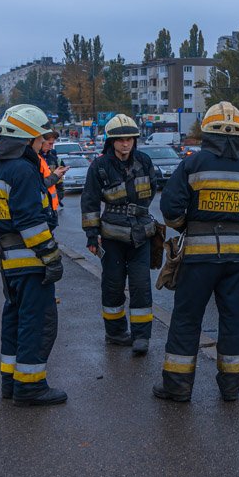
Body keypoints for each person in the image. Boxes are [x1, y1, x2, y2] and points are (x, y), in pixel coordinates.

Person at [153, 102, 239, 403]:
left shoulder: (192, 165)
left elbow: (170, 210)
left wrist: (186, 226)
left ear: (206, 131)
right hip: (237, 261)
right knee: (232, 321)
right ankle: (231, 388)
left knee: (186, 320)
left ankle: (177, 387)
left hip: (198, 261)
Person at [0, 104, 67, 407]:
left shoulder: (0, 166)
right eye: (40, 138)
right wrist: (52, 257)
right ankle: (31, 386)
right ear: (29, 138)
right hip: (30, 259)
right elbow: (31, 222)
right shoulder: (23, 169)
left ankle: (11, 380)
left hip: (9, 258)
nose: (43, 143)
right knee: (37, 322)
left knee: (15, 318)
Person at [81, 114, 161, 355]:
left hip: (141, 235)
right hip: (112, 237)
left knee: (141, 287)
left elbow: (153, 190)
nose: (126, 144)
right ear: (111, 141)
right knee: (113, 286)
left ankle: (141, 337)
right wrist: (91, 235)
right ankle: (115, 333)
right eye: (120, 140)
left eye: (130, 139)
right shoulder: (100, 166)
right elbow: (90, 201)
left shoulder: (144, 161)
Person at [39, 130, 65, 213]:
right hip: (39, 205)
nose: (51, 147)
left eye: (52, 144)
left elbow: (58, 180)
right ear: (40, 141)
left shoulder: (52, 158)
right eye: (49, 144)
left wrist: (60, 193)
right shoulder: (34, 159)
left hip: (51, 206)